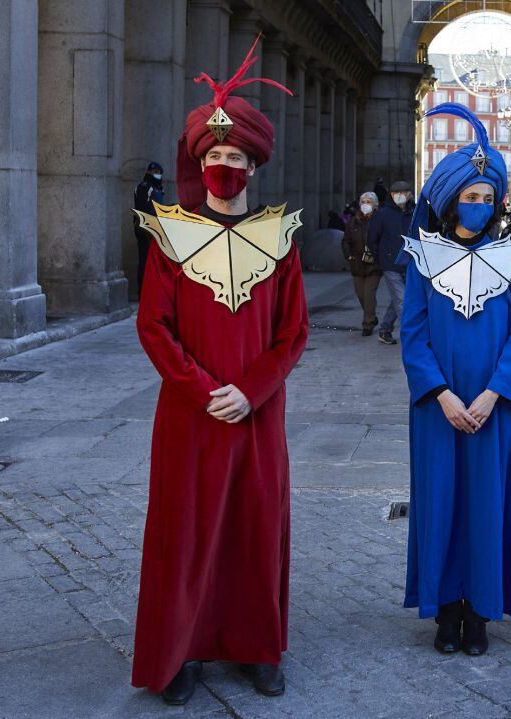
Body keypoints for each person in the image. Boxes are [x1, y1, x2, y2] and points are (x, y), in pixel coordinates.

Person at [130, 37, 308, 704]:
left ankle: (258, 647)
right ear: (199, 163)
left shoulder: (280, 241)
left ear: (253, 165)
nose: (223, 165)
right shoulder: (170, 237)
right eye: (213, 156)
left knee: (255, 529)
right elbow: (154, 327)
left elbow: (293, 333)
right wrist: (205, 391)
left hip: (258, 415)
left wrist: (252, 390)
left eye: (234, 156)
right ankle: (183, 649)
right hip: (189, 414)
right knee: (186, 530)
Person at [400, 103, 511, 656]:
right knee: (439, 504)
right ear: (450, 198)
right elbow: (413, 335)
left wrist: (489, 396)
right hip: (439, 408)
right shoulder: (423, 259)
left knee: (486, 505)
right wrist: (440, 394)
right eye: (470, 196)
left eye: (487, 198)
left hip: (492, 407)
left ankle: (481, 611)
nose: (478, 206)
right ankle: (445, 611)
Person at [367, 179, 415, 345]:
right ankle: (410, 337)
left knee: (399, 298)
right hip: (390, 264)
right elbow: (372, 239)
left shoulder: (415, 213)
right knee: (403, 300)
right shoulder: (383, 214)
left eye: (403, 193)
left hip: (410, 263)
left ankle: (385, 329)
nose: (399, 196)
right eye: (396, 193)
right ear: (391, 195)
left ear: (410, 194)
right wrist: (381, 258)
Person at [341, 191, 383, 335]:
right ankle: (371, 316)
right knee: (361, 295)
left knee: (369, 294)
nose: (366, 205)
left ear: (375, 205)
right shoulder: (354, 221)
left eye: (369, 202)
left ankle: (368, 324)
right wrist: (349, 256)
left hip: (374, 264)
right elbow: (346, 240)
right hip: (357, 263)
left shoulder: (379, 220)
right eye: (363, 202)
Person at [132, 161, 165, 295]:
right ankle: (143, 293)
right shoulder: (145, 187)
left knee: (151, 261)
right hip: (146, 229)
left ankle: (150, 292)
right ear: (149, 172)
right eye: (154, 172)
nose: (156, 175)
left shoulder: (158, 188)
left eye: (158, 173)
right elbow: (145, 209)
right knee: (145, 260)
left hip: (154, 229)